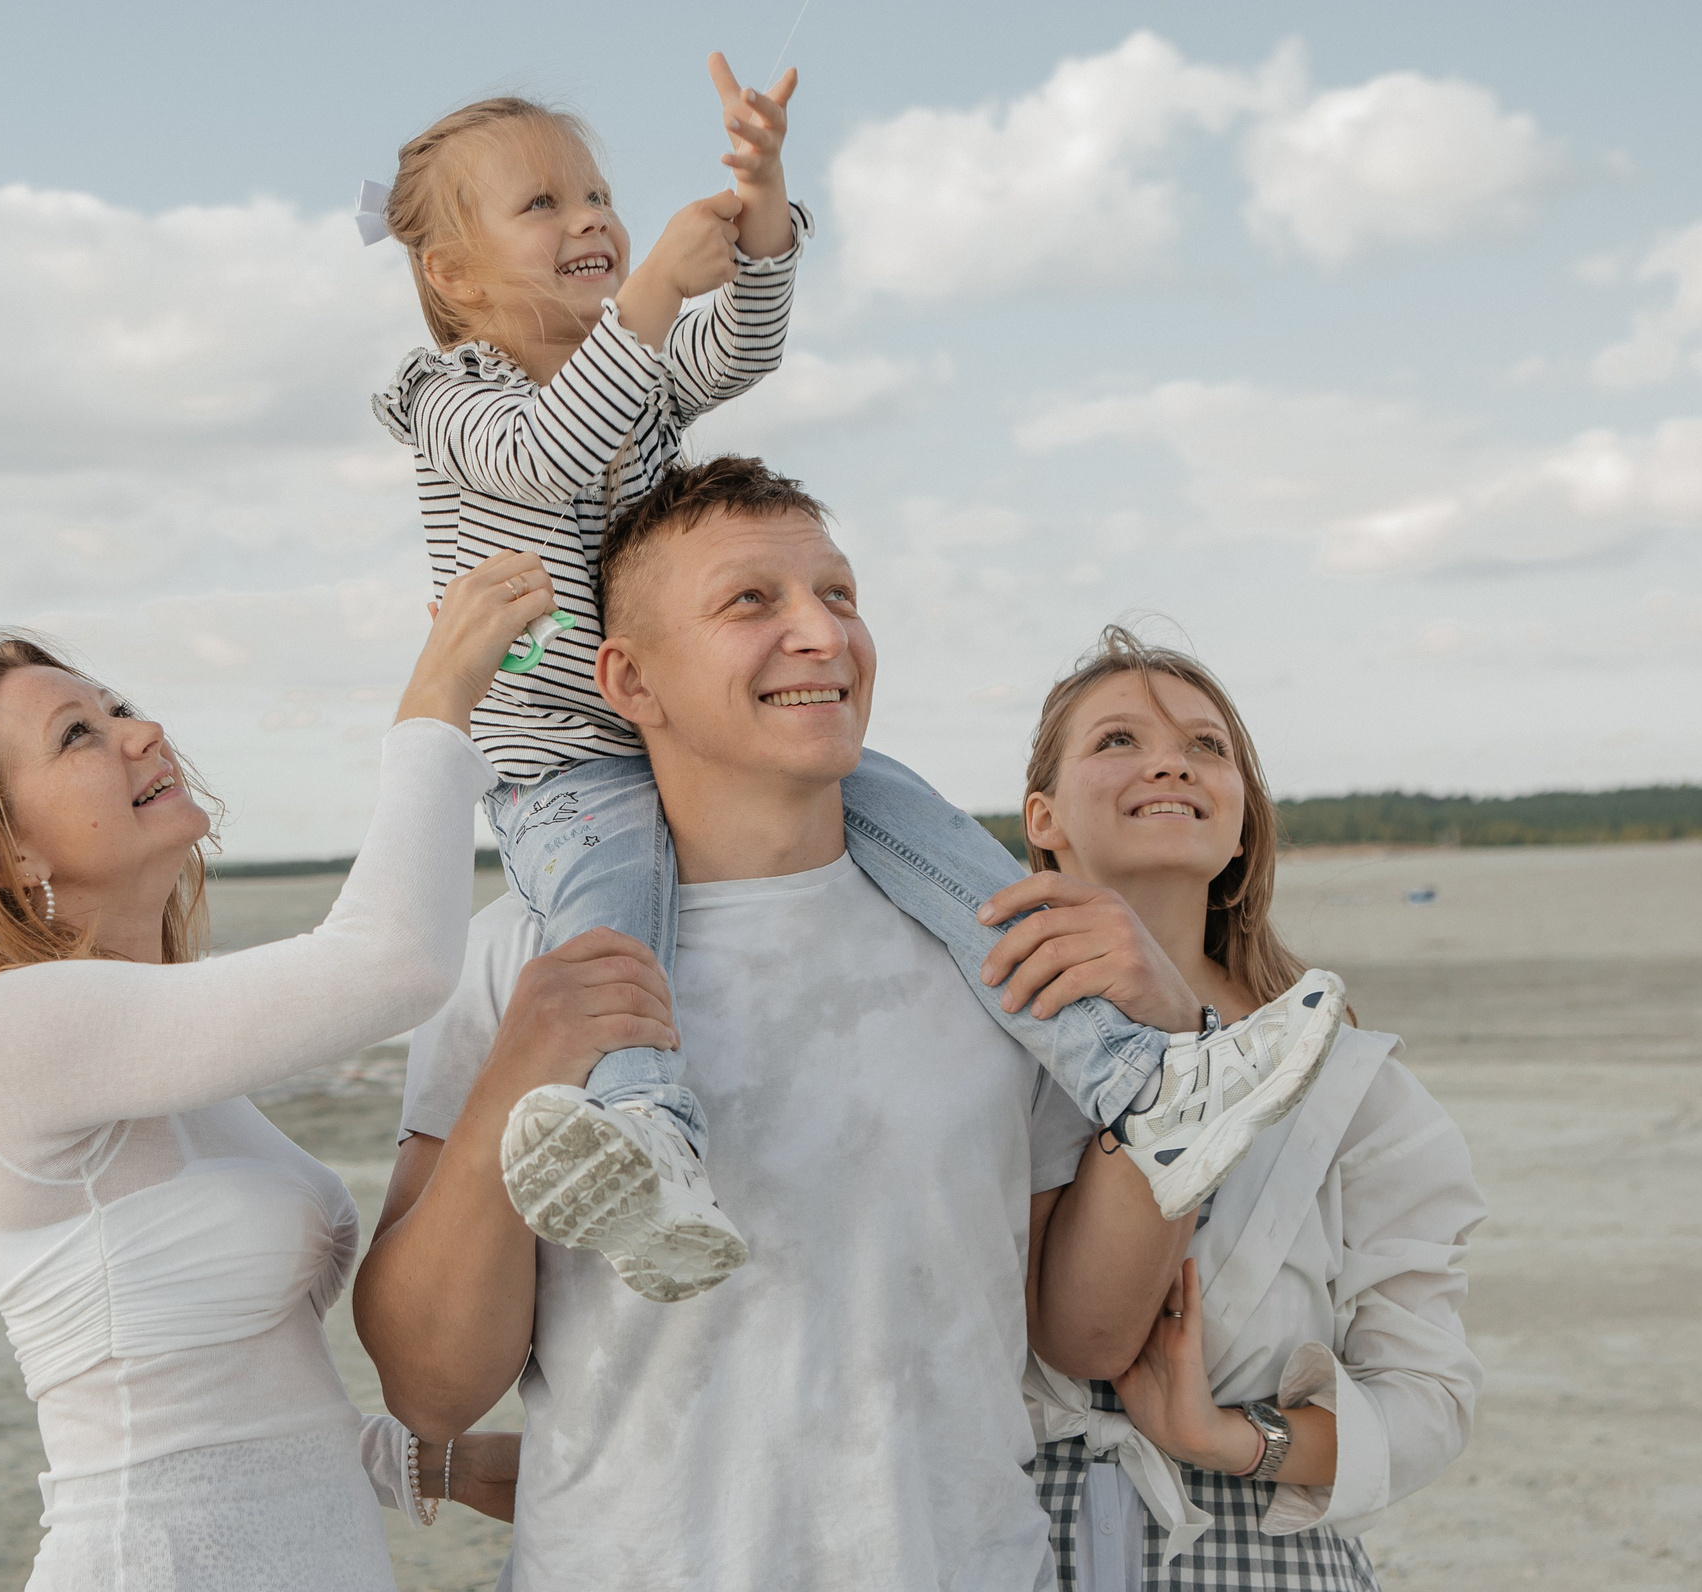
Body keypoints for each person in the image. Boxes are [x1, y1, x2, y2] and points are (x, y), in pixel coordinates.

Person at [368, 68, 1343, 1304]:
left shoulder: (630, 373)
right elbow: (550, 457)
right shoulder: (455, 398)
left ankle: (1141, 1076)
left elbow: (743, 349)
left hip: (696, 735)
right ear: (452, 277)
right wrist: (654, 291)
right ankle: (648, 1142)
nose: (592, 221)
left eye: (600, 194)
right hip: (568, 752)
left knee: (932, 838)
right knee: (611, 922)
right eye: (543, 204)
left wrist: (762, 218)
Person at [354, 457, 1264, 1590]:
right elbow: (431, 1385)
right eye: (753, 601)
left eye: (837, 595)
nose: (823, 635)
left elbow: (1078, 1334)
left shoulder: (990, 943)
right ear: (630, 680)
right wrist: (518, 1074)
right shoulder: (518, 953)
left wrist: (1175, 1056)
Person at [0, 550, 552, 1592]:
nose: (142, 731)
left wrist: (421, 1460)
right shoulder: (8, 1031)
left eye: (120, 705)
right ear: (3, 851)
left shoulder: (165, 1055)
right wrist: (436, 697)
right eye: (78, 734)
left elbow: (197, 1396)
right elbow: (390, 961)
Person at [1014, 629, 1486, 1590]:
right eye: (1116, 741)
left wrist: (1232, 1438)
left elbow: (1429, 1399)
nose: (1169, 762)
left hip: (1258, 1562)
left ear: (1237, 830)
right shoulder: (968, 1051)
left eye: (1207, 746)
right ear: (1045, 817)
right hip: (990, 1543)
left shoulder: (1350, 1084)